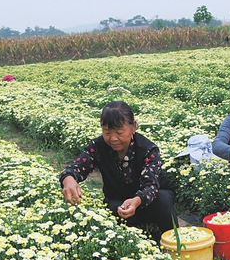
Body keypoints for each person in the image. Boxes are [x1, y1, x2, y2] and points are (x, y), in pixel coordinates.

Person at [59, 101, 177, 243]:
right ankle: (135, 241)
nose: (113, 138)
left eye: (119, 132)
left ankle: (174, 242)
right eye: (107, 132)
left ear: (133, 126)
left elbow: (150, 186)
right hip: (119, 200)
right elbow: (77, 167)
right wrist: (69, 178)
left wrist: (136, 201)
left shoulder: (147, 149)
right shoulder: (98, 147)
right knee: (113, 210)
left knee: (162, 199)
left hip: (151, 200)